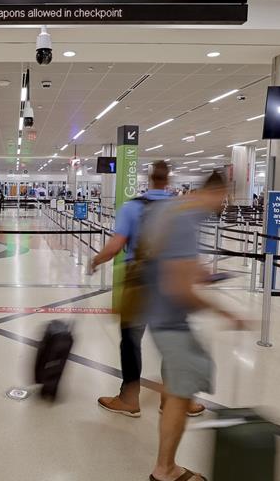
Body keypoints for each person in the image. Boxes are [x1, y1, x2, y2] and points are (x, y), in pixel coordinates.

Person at [143, 173, 248, 481]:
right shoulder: (186, 221)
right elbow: (179, 289)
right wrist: (227, 313)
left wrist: (198, 271)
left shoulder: (170, 208)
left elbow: (165, 257)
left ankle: (158, 393)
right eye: (224, 198)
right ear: (216, 191)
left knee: (180, 383)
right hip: (169, 320)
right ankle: (165, 470)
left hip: (155, 309)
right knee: (182, 392)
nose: (223, 205)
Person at [89, 161, 206, 418]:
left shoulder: (131, 207)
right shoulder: (179, 208)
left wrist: (95, 260)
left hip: (139, 283)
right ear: (169, 181)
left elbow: (115, 246)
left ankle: (129, 399)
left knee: (131, 342)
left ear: (149, 179)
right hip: (170, 283)